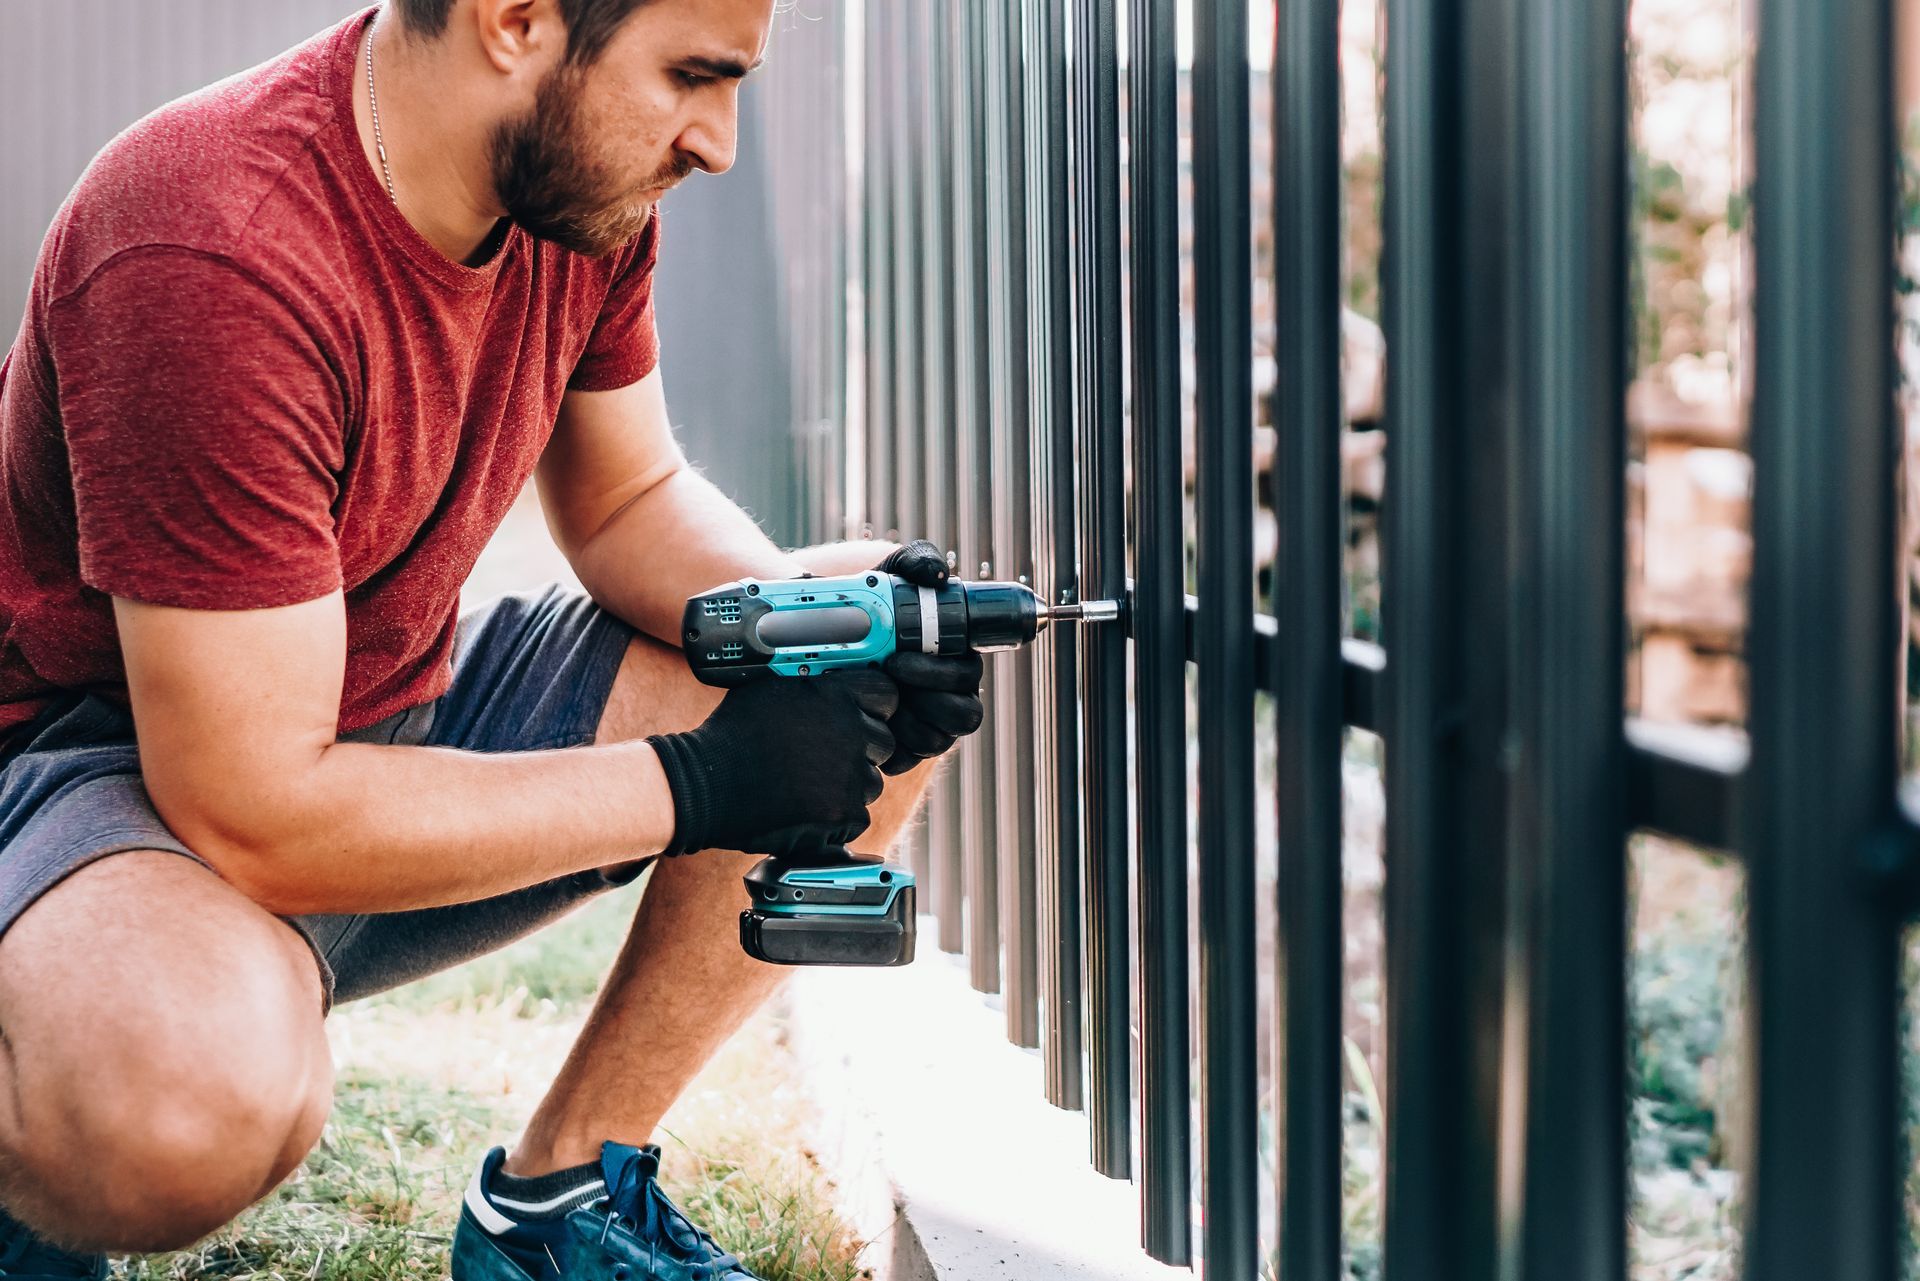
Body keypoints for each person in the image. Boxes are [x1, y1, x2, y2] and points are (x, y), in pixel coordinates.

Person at [0, 2, 984, 1278]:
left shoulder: (573, 187)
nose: (718, 142)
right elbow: (249, 807)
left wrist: (846, 655)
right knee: (179, 1108)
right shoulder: (209, 241)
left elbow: (627, 501)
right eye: (693, 76)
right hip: (95, 775)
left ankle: (558, 1202)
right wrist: (704, 784)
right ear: (516, 19)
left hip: (376, 717)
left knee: (844, 634)